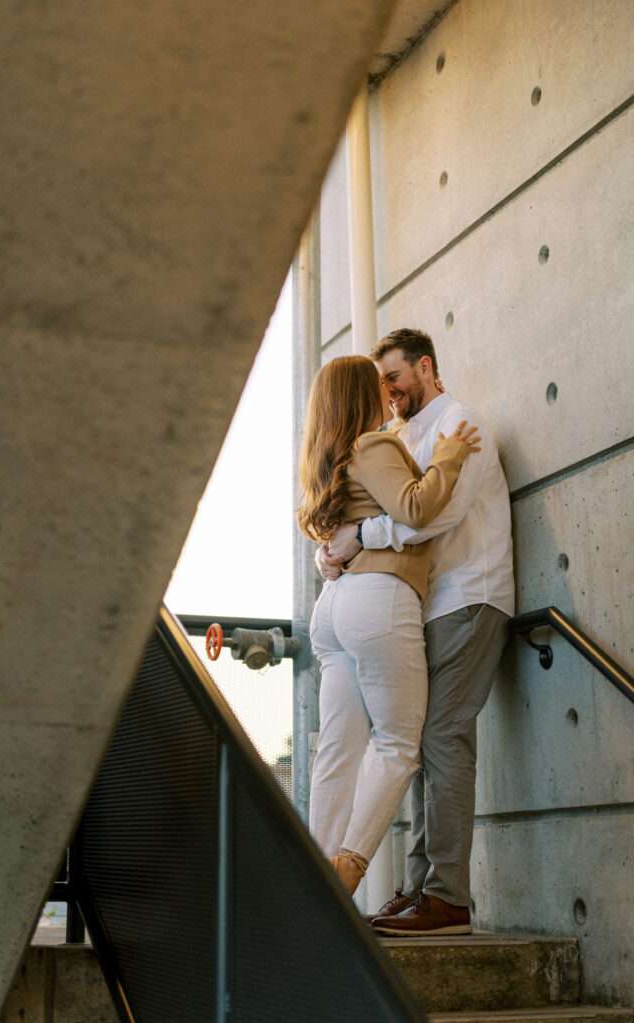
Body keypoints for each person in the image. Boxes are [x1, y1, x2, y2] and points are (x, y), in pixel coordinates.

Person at [320, 328, 514, 936]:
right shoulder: (399, 436)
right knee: (415, 743)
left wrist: (357, 540)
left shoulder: (460, 424)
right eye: (380, 383)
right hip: (423, 601)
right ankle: (420, 886)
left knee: (440, 738)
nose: (390, 391)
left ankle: (447, 897)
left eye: (395, 377)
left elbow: (434, 517)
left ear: (425, 367)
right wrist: (344, 543)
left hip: (469, 595)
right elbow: (386, 508)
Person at [297, 354, 481, 897]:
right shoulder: (372, 445)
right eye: (378, 383)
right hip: (379, 598)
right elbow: (416, 509)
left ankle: (315, 883)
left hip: (333, 608)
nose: (388, 390)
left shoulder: (323, 455)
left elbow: (333, 538)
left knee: (338, 748)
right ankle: (348, 866)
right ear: (362, 394)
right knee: (399, 742)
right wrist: (448, 457)